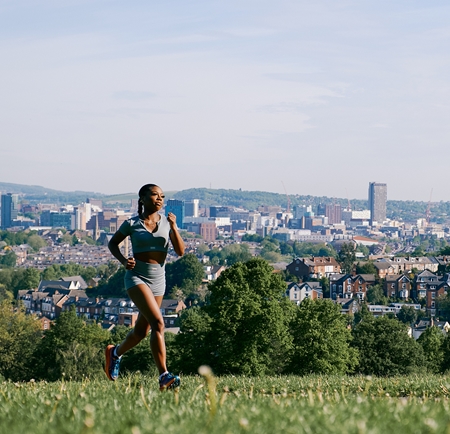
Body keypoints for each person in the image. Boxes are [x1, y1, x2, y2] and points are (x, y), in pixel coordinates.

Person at [105, 183, 185, 390]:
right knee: (159, 323)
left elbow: (180, 251)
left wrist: (174, 227)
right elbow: (113, 243)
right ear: (142, 199)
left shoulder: (167, 223)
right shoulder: (132, 223)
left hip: (159, 279)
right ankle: (164, 376)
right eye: (155, 195)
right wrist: (124, 261)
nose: (160, 199)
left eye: (162, 196)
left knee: (142, 331)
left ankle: (115, 353)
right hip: (136, 277)